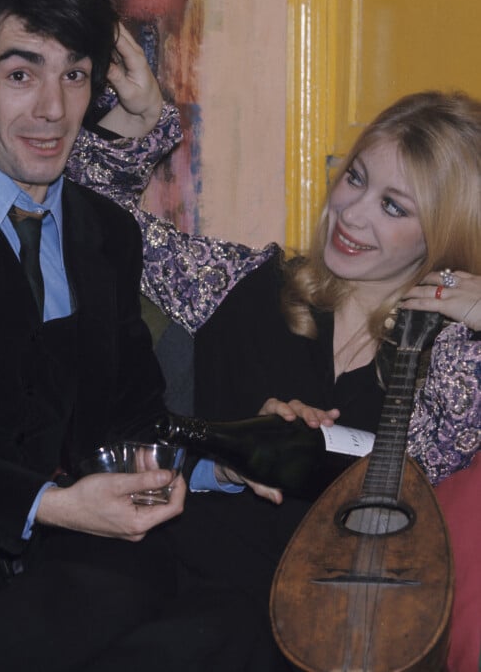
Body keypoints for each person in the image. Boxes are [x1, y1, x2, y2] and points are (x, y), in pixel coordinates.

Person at [0, 0, 269, 672]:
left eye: (74, 73)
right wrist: (48, 501)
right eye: (20, 72)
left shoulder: (107, 232)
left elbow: (135, 418)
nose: (53, 108)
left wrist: (218, 462)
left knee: (239, 623)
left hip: (75, 568)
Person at [66, 52, 481, 663]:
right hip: (158, 574)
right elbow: (94, 217)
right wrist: (142, 119)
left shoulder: (445, 364)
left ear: (442, 234)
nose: (352, 213)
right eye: (357, 177)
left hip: (312, 628)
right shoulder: (245, 281)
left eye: (395, 207)